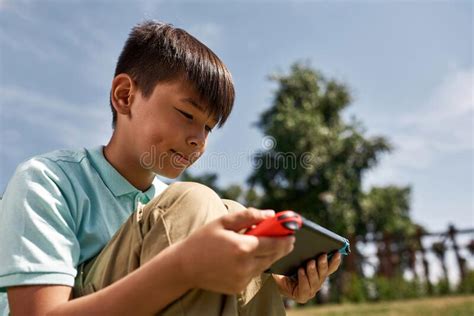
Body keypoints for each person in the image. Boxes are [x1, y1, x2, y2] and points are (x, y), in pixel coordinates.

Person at [0, 20, 341, 315]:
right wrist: (183, 266)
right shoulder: (47, 181)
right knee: (197, 204)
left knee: (235, 221)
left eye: (208, 127)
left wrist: (267, 277)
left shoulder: (171, 205)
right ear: (124, 96)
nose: (198, 139)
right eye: (187, 114)